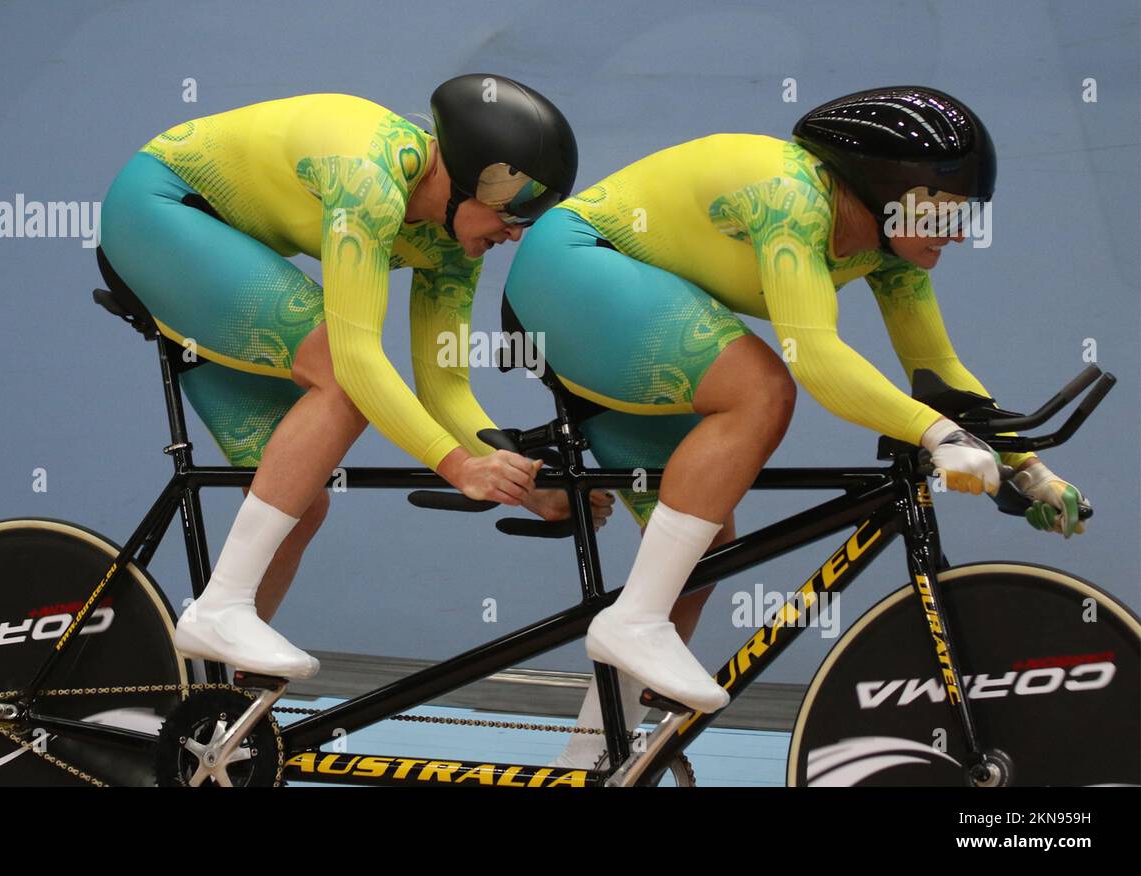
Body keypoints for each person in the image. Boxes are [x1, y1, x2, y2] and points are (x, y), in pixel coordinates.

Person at [503, 86, 1090, 769]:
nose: (958, 231)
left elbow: (939, 372)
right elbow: (813, 355)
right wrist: (937, 436)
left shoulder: (888, 252)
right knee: (761, 389)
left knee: (696, 555)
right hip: (570, 267)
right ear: (885, 190)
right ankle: (632, 623)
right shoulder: (791, 194)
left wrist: (1028, 469)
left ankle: (586, 764)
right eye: (946, 210)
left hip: (610, 309)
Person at [98, 74, 612, 678]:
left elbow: (445, 386)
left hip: (222, 256)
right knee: (342, 379)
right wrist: (458, 466)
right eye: (514, 210)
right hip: (159, 210)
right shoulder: (369, 177)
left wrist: (519, 481)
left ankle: (222, 716)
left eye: (537, 215)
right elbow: (358, 360)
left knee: (301, 499)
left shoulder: (451, 244)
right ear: (464, 178)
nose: (519, 232)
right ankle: (220, 608)